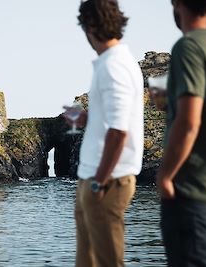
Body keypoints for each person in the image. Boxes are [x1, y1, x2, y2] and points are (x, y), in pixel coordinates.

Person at [67, 0, 144, 266]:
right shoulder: (112, 63)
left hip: (106, 181)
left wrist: (99, 182)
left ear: (89, 27)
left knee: (109, 262)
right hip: (91, 178)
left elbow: (119, 132)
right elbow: (112, 120)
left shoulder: (114, 67)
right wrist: (86, 117)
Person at [150, 0, 206, 266]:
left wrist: (166, 175)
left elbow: (190, 123)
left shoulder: (189, 47)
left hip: (193, 191)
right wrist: (172, 102)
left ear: (177, 4)